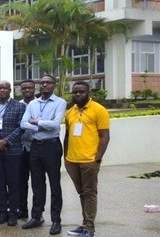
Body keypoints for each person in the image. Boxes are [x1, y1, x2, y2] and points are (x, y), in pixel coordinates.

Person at [20, 75, 67, 235]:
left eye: (48, 83)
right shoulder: (33, 103)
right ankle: (36, 217)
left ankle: (56, 221)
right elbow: (23, 123)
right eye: (43, 82)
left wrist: (36, 122)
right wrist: (43, 125)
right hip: (35, 147)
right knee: (37, 184)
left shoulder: (60, 103)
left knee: (55, 184)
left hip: (51, 147)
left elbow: (55, 125)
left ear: (54, 85)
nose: (45, 85)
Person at [64, 81, 110, 237]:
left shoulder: (99, 110)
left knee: (89, 193)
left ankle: (90, 228)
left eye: (81, 92)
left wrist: (97, 159)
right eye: (75, 92)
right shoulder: (70, 112)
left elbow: (105, 136)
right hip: (72, 160)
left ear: (88, 92)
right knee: (82, 193)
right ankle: (85, 225)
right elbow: (67, 135)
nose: (78, 94)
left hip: (89, 161)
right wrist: (66, 157)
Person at [0, 81, 27, 226]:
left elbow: (21, 127)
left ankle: (13, 214)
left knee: (14, 184)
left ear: (10, 90)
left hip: (13, 151)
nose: (2, 90)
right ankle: (2, 213)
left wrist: (6, 141)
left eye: (4, 88)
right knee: (0, 183)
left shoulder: (19, 107)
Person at [17, 79, 36, 220]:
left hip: (36, 148)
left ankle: (37, 214)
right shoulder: (17, 106)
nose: (27, 90)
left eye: (29, 88)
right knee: (21, 181)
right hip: (20, 148)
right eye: (24, 88)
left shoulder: (39, 105)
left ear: (34, 89)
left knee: (37, 182)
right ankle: (22, 209)